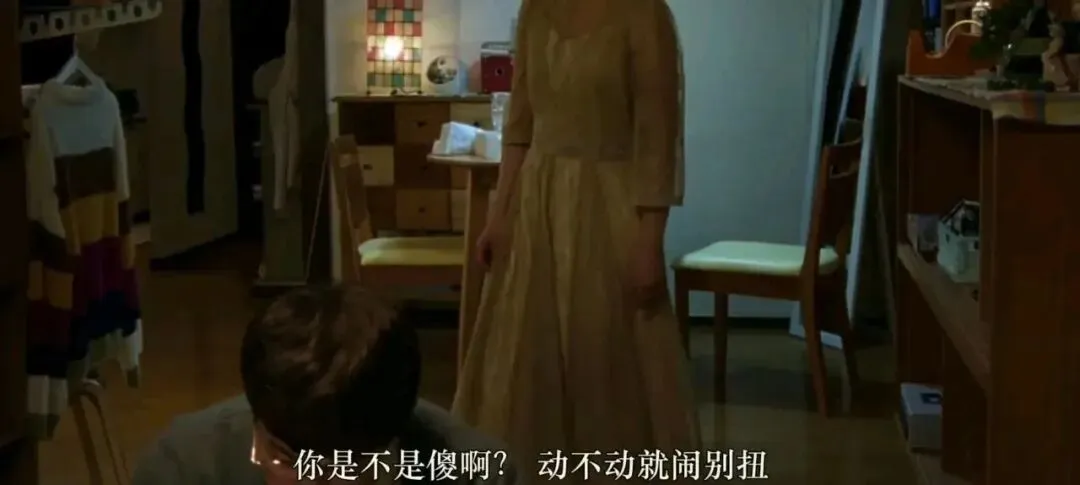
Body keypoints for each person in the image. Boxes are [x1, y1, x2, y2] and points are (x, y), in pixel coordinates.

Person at [452, 0, 699, 482]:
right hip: (536, 201)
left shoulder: (643, 14)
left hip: (608, 203)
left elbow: (657, 137)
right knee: (526, 354)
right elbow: (520, 125)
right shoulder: (536, 9)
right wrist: (499, 214)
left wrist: (650, 240)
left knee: (603, 350)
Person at [132, 286, 516, 485]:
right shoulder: (185, 468)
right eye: (286, 460)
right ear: (258, 422)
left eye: (344, 469)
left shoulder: (476, 474)